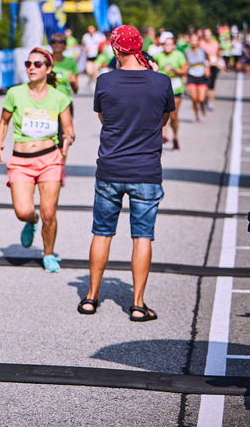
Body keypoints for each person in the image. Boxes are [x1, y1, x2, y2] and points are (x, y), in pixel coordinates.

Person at [78, 25, 174, 321]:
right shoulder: (161, 82)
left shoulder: (105, 81)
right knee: (142, 237)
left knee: (102, 233)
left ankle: (91, 297)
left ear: (117, 49)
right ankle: (137, 303)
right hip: (146, 169)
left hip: (110, 167)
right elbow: (165, 119)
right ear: (140, 47)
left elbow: (104, 119)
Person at [0, 47, 74, 273]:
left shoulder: (59, 97)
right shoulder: (15, 93)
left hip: (50, 159)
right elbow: (3, 121)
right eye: (28, 64)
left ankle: (48, 254)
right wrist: (0, 141)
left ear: (48, 69)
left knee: (49, 213)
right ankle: (31, 221)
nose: (31, 68)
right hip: (21, 160)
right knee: (23, 211)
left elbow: (69, 129)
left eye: (37, 64)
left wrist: (68, 139)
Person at [153, 36, 187, 150]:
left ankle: (175, 137)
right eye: (165, 44)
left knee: (173, 115)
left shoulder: (179, 55)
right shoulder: (158, 55)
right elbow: (151, 67)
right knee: (162, 112)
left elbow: (185, 70)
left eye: (170, 44)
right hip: (162, 88)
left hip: (176, 87)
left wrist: (173, 70)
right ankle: (164, 136)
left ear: (174, 45)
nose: (168, 46)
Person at [185, 33, 210, 123]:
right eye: (192, 40)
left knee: (201, 99)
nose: (194, 42)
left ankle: (202, 105)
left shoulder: (202, 52)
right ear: (190, 41)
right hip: (191, 76)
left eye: (196, 40)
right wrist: (184, 75)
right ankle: (196, 116)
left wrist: (207, 69)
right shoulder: (187, 52)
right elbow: (185, 64)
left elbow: (207, 61)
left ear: (198, 41)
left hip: (202, 76)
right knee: (194, 99)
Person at [200, 28, 221, 111]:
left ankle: (211, 102)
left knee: (212, 86)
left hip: (213, 67)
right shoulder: (201, 44)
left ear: (211, 35)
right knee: (204, 85)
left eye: (209, 35)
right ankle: (204, 100)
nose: (207, 37)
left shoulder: (216, 44)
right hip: (203, 67)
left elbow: (219, 54)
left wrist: (218, 61)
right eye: (206, 35)